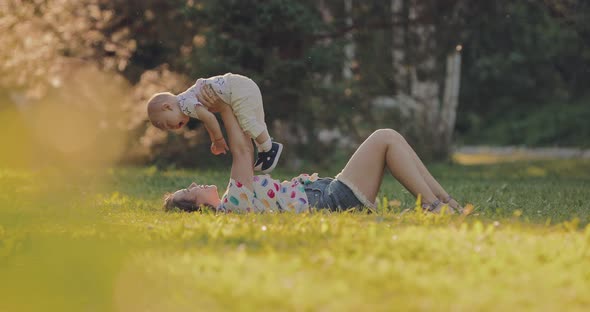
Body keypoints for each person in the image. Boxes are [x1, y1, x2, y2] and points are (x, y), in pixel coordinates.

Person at [163, 86, 462, 214]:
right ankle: (433, 207)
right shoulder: (234, 204)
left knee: (390, 137)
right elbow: (242, 151)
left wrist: (223, 107)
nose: (192, 185)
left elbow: (242, 148)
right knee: (385, 137)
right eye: (187, 193)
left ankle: (445, 203)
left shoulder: (236, 201)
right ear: (199, 209)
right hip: (332, 200)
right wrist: (223, 106)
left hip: (330, 194)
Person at [146, 73, 283, 173]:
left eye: (169, 124)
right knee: (255, 122)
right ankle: (264, 149)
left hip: (237, 89)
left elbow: (210, 119)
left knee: (248, 124)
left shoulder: (185, 104)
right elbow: (207, 121)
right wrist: (213, 139)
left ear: (167, 107)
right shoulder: (186, 101)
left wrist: (218, 139)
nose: (173, 128)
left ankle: (270, 148)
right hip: (241, 85)